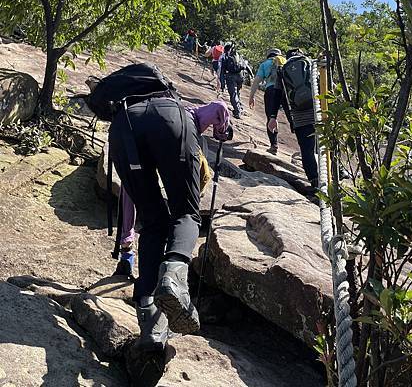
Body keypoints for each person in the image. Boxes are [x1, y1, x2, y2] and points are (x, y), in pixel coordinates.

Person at [87, 78, 231, 352]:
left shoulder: (125, 112)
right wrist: (223, 129)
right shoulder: (178, 105)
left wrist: (126, 243)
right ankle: (174, 275)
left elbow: (129, 200)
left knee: (154, 223)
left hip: (123, 134)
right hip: (172, 123)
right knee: (186, 214)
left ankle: (149, 321)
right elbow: (218, 107)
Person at [267, 49, 318, 189]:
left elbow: (277, 94)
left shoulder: (283, 70)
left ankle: (315, 181)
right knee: (324, 146)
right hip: (318, 111)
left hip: (299, 116)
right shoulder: (311, 64)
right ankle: (336, 173)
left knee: (307, 150)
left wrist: (272, 117)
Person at [249, 48, 287, 155]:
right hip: (286, 92)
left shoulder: (265, 64)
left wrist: (251, 96)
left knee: (271, 117)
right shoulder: (285, 62)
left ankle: (274, 145)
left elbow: (257, 81)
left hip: (271, 91)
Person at [217, 43, 247, 119]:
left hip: (230, 76)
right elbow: (245, 66)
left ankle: (237, 111)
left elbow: (221, 70)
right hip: (240, 75)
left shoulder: (224, 56)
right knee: (237, 92)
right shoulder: (238, 55)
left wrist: (222, 82)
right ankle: (240, 107)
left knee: (233, 94)